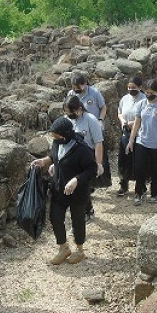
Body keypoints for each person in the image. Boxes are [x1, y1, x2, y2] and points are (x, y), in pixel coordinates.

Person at [31, 117, 98, 266]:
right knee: (55, 218)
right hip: (59, 188)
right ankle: (63, 248)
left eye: (57, 136)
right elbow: (53, 155)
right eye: (54, 136)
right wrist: (45, 161)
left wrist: (76, 180)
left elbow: (92, 170)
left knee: (78, 220)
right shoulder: (57, 142)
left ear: (66, 134)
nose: (55, 138)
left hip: (78, 192)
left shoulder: (82, 149)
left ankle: (79, 250)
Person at [125, 79, 157, 206]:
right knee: (139, 169)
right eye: (147, 92)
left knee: (156, 170)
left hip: (156, 144)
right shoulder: (141, 104)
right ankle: (139, 192)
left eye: (151, 93)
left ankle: (155, 193)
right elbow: (137, 123)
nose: (149, 95)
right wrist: (131, 140)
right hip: (142, 142)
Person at [64, 95, 105, 223]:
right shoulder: (67, 120)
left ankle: (87, 211)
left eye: (71, 113)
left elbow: (98, 142)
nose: (69, 115)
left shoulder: (91, 120)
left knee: (82, 186)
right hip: (72, 157)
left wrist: (98, 163)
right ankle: (84, 210)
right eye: (67, 113)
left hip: (87, 158)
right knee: (77, 186)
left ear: (80, 109)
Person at [116, 77, 145, 196]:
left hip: (140, 134)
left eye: (133, 88)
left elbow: (147, 116)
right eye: (129, 88)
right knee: (124, 159)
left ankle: (141, 186)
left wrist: (136, 123)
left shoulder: (144, 100)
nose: (131, 90)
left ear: (140, 87)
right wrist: (123, 121)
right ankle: (124, 184)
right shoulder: (125, 99)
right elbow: (119, 112)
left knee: (139, 161)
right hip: (126, 132)